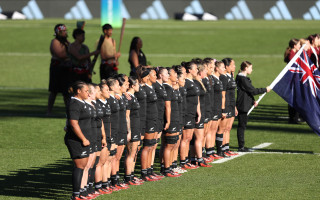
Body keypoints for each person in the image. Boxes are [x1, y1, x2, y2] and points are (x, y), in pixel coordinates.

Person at [236, 61, 271, 152]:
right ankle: (241, 146)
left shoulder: (244, 78)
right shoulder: (242, 79)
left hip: (245, 104)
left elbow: (247, 92)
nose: (252, 69)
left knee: (243, 125)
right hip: (242, 105)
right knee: (242, 126)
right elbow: (253, 91)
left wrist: (252, 101)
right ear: (246, 68)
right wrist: (265, 90)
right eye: (250, 68)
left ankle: (241, 145)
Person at [64, 81, 90, 200]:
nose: (88, 93)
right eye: (86, 91)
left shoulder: (81, 102)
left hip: (83, 140)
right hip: (76, 140)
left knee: (83, 166)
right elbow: (74, 124)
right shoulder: (74, 104)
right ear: (78, 91)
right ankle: (75, 195)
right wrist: (83, 139)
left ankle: (79, 192)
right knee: (79, 166)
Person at [179, 61, 200, 170]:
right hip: (186, 113)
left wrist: (198, 112)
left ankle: (186, 160)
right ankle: (183, 161)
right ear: (189, 70)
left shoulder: (192, 82)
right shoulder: (186, 82)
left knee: (189, 138)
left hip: (192, 114)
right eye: (196, 69)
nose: (197, 70)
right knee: (185, 138)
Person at [47, 24, 71, 115]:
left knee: (66, 92)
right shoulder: (55, 42)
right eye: (63, 31)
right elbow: (60, 55)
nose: (65, 33)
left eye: (65, 31)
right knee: (54, 91)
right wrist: (71, 56)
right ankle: (49, 111)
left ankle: (68, 112)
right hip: (57, 68)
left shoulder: (67, 42)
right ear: (58, 33)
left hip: (66, 68)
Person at [124, 76, 143, 185]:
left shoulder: (133, 97)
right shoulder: (128, 98)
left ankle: (131, 175)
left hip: (136, 127)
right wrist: (129, 131)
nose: (139, 86)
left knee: (134, 153)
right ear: (132, 86)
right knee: (130, 153)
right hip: (132, 128)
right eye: (137, 84)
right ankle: (128, 178)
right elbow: (127, 116)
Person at [283, 39, 303, 124]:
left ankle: (294, 117)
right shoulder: (292, 54)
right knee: (294, 98)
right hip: (293, 80)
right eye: (298, 44)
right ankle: (293, 118)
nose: (300, 46)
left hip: (294, 79)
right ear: (294, 46)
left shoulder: (294, 53)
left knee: (294, 97)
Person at [222, 58, 238, 156]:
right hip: (226, 105)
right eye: (232, 65)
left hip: (232, 105)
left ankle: (227, 148)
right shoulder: (224, 78)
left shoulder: (231, 76)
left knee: (228, 128)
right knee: (224, 128)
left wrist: (235, 106)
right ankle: (223, 149)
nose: (234, 66)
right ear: (226, 66)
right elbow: (223, 94)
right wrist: (223, 108)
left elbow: (232, 94)